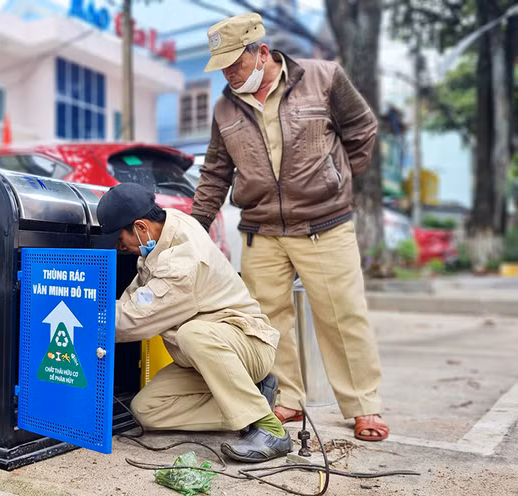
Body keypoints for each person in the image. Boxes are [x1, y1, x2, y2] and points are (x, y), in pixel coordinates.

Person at [190, 13, 389, 441]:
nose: (229, 74)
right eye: (222, 68)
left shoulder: (324, 78)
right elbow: (215, 173)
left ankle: (362, 405)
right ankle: (287, 398)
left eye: (235, 64)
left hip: (324, 224)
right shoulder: (225, 107)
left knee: (342, 316)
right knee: (267, 322)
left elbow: (362, 130)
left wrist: (336, 179)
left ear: (262, 52)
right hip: (261, 230)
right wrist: (195, 226)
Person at [97, 182, 291, 463]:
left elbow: (134, 320)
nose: (120, 248)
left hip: (246, 344)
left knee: (192, 333)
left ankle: (269, 428)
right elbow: (135, 298)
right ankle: (255, 397)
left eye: (119, 240)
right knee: (147, 409)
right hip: (204, 358)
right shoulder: (166, 229)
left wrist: (87, 315)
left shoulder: (182, 263)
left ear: (140, 227)